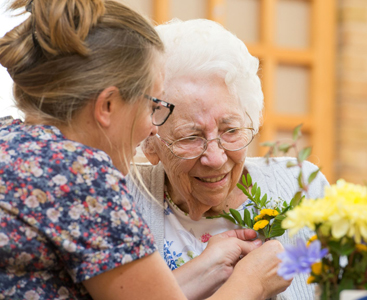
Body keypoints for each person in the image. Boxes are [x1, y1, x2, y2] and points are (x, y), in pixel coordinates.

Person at [0, 1, 291, 299]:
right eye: (153, 106)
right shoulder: (82, 176)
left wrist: (210, 265)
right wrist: (252, 281)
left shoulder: (10, 140)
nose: (154, 127)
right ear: (108, 106)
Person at [129, 19, 329, 300]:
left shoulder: (304, 188)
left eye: (231, 130)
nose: (215, 157)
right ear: (151, 143)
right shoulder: (123, 200)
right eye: (190, 137)